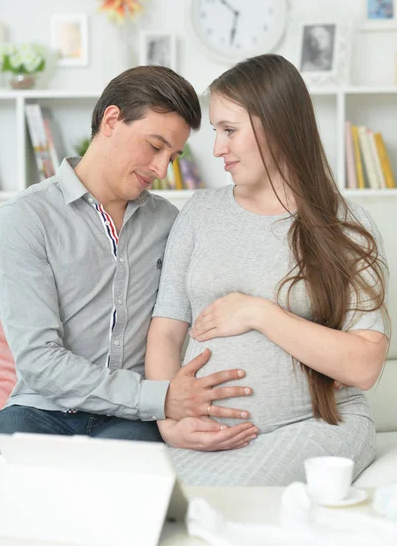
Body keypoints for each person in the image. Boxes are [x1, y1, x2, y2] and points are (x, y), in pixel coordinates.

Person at [145, 54, 389, 486]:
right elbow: (166, 330)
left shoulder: (345, 225)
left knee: (217, 499)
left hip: (315, 428)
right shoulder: (199, 214)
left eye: (230, 131)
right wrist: (169, 416)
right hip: (203, 437)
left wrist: (260, 313)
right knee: (142, 500)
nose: (218, 148)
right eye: (217, 132)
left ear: (277, 124)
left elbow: (365, 364)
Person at [0, 65, 257, 450]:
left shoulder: (170, 223)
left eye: (171, 156)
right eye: (155, 147)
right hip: (40, 410)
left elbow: (229, 287)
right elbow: (39, 361)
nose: (160, 169)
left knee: (124, 485)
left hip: (129, 421)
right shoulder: (25, 217)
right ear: (112, 120)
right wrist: (160, 398)